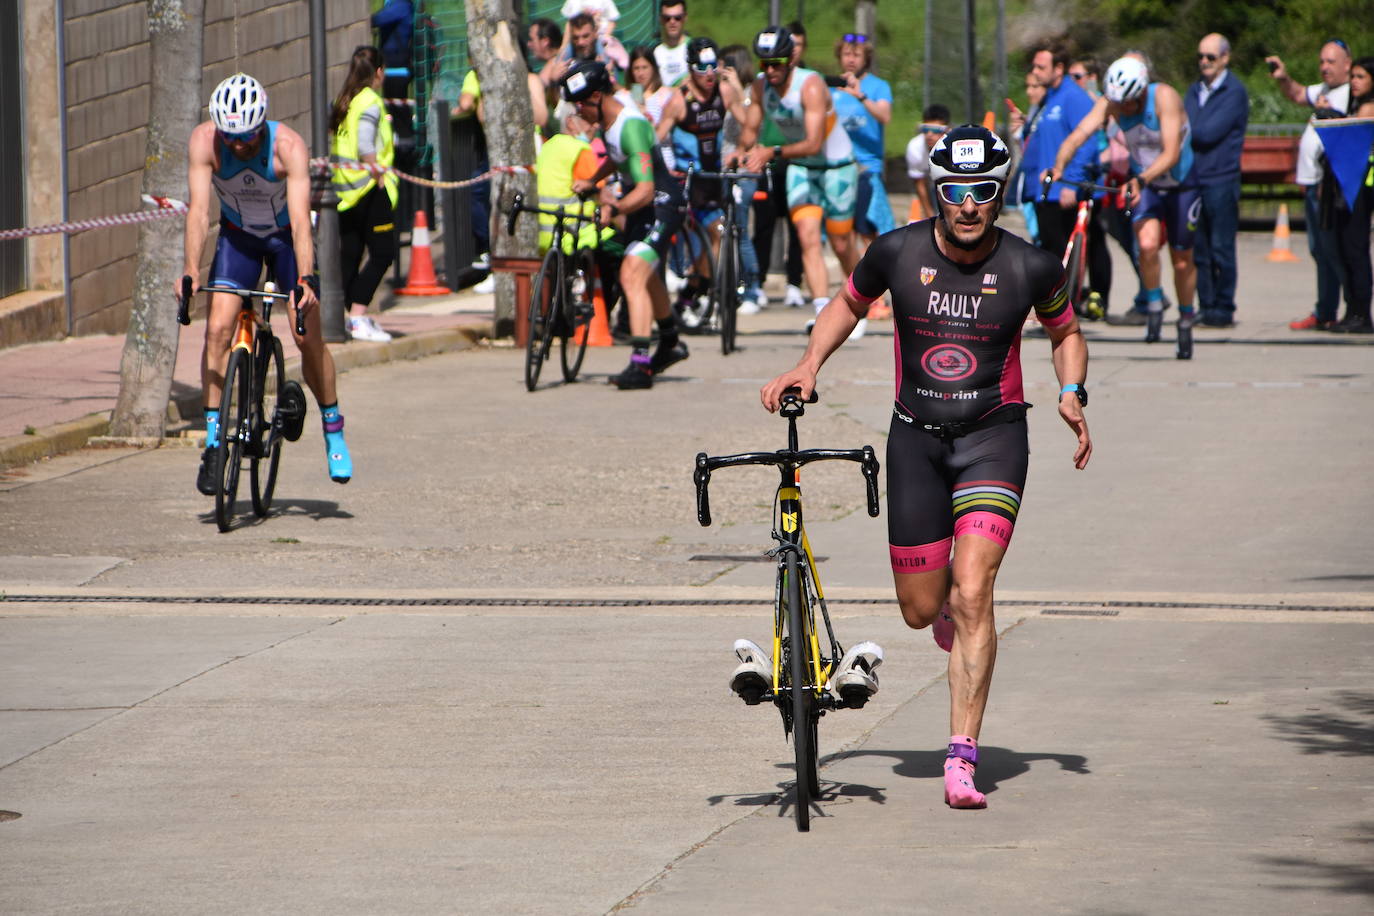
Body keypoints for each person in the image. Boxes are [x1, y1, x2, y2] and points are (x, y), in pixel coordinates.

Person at [760, 125, 1091, 809]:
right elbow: (847, 304)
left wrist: (1070, 391)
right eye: (956, 192)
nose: (969, 205)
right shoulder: (897, 252)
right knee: (920, 611)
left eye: (983, 193)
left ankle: (961, 758)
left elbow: (1065, 332)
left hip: (994, 440)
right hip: (914, 440)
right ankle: (943, 611)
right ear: (936, 192)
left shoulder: (1032, 265)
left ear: (1000, 193)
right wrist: (807, 363)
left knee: (974, 590)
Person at [181, 73, 352, 491]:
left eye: (247, 137)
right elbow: (200, 213)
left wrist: (306, 279)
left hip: (284, 243)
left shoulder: (288, 148)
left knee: (306, 336)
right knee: (218, 328)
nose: (238, 145)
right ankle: (215, 443)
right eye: (231, 137)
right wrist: (188, 269)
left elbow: (299, 222)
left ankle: (333, 425)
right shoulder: (205, 143)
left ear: (263, 126)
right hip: (238, 239)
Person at [1052, 56, 1201, 358]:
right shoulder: (1114, 102)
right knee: (1146, 246)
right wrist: (1058, 166)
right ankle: (1155, 301)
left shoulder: (1164, 97)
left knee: (1181, 257)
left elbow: (1171, 152)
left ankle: (1186, 317)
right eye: (1120, 105)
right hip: (1146, 183)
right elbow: (1079, 134)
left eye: (1131, 104)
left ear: (1143, 91)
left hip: (1180, 184)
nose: (1125, 111)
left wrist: (1141, 179)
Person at [563, 59, 689, 390]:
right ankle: (671, 341)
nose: (578, 112)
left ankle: (640, 363)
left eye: (580, 104)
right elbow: (620, 159)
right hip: (644, 206)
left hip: (662, 204)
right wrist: (594, 181)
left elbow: (646, 190)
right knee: (644, 277)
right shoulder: (608, 120)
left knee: (631, 273)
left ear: (596, 98)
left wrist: (613, 206)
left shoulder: (630, 125)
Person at [740, 26, 863, 338]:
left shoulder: (809, 86)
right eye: (763, 64)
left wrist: (771, 151)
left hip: (836, 166)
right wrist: (740, 153)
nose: (769, 70)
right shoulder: (760, 87)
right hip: (799, 167)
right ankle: (824, 312)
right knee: (807, 236)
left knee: (840, 242)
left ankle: (862, 301)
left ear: (789, 61)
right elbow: (750, 131)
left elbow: (813, 142)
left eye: (776, 64)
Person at [656, 38, 749, 321]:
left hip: (712, 178)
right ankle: (689, 287)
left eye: (713, 67)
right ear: (690, 68)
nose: (709, 74)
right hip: (686, 182)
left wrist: (743, 152)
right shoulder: (679, 100)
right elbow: (655, 139)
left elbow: (750, 125)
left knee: (720, 234)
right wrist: (662, 171)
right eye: (701, 68)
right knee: (704, 236)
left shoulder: (724, 92)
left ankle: (695, 287)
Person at [1018, 43, 1108, 320]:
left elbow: (1087, 141)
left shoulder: (1073, 97)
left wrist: (1072, 182)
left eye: (1040, 67)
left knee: (1065, 252)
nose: (1035, 71)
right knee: (1050, 251)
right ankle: (1056, 308)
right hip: (1045, 190)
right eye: (1034, 66)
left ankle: (1068, 308)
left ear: (1059, 69)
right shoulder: (1050, 99)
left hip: (1063, 190)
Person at [1271, 41, 1353, 331]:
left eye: (1331, 62)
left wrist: (1330, 113)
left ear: (1347, 63)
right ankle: (1325, 311)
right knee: (1319, 250)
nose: (1325, 67)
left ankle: (1352, 310)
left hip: (1329, 186)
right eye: (1322, 62)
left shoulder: (1352, 93)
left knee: (1335, 250)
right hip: (1311, 184)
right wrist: (1283, 78)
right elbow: (1295, 93)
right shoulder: (1322, 91)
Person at [331, 46, 398, 344]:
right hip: (369, 188)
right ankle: (357, 314)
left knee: (351, 253)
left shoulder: (345, 100)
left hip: (346, 191)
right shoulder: (370, 102)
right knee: (383, 252)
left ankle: (346, 317)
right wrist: (379, 175)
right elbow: (365, 147)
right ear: (379, 72)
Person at [1185, 33, 1248, 329]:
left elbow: (1205, 132)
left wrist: (1188, 129)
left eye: (1211, 57)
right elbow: (1187, 127)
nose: (1204, 62)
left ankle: (1224, 307)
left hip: (1221, 179)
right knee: (1200, 249)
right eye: (1201, 56)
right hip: (1195, 180)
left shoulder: (1234, 92)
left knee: (1222, 247)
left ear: (1224, 58)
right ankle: (1206, 305)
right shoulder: (1194, 90)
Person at [831, 32, 895, 320]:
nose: (851, 59)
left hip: (867, 169)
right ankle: (860, 293)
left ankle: (877, 296)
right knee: (844, 234)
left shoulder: (877, 87)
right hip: (837, 169)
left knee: (869, 232)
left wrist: (860, 95)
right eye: (846, 53)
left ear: (866, 57)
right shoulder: (832, 88)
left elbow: (885, 116)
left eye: (856, 54)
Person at [1323, 57, 1374, 333]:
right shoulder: (1356, 105)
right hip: (1348, 185)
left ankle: (1362, 312)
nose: (1354, 81)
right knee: (1345, 248)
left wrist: (1331, 119)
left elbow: (1351, 134)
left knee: (1356, 249)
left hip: (1362, 188)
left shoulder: (1369, 108)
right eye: (1352, 76)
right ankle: (1353, 308)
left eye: (1360, 77)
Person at [905, 104, 950, 225]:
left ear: (947, 130)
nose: (929, 134)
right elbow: (920, 185)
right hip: (929, 178)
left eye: (935, 130)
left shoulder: (953, 147)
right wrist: (931, 218)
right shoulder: (914, 147)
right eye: (925, 129)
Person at [371, 0, 414, 100]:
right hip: (394, 67)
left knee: (396, 107)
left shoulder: (401, 5)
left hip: (397, 69)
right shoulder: (399, 5)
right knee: (395, 105)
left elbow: (377, 19)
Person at [652, 0, 691, 88]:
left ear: (685, 18)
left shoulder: (695, 49)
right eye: (667, 18)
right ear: (660, 19)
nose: (672, 22)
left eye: (677, 18)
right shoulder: (655, 53)